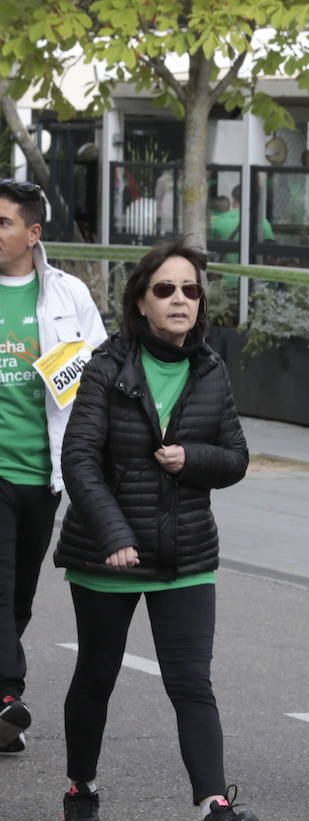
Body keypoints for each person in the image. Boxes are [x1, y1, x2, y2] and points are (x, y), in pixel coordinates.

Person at [53, 239, 262, 821]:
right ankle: (80, 791)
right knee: (97, 674)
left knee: (192, 683)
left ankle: (213, 814)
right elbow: (79, 459)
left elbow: (236, 458)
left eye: (190, 291)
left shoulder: (211, 370)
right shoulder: (104, 365)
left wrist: (190, 458)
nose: (179, 300)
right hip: (106, 556)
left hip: (185, 558)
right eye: (165, 290)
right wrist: (115, 535)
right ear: (141, 302)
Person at [0, 178, 107, 755]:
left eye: (3, 223)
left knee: (17, 597)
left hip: (42, 472)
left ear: (32, 233)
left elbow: (100, 376)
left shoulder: (66, 295)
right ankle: (6, 694)